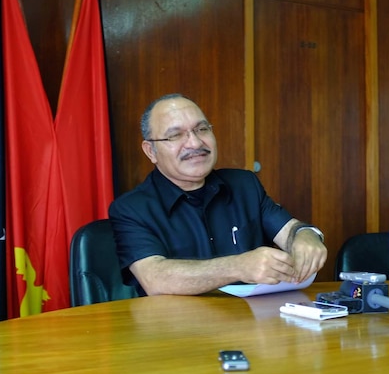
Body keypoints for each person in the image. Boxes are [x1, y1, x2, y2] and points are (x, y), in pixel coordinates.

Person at [109, 94, 328, 296]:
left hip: (255, 324)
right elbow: (155, 278)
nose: (195, 143)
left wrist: (306, 236)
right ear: (150, 151)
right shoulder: (131, 208)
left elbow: (290, 230)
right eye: (175, 135)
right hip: (176, 330)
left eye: (202, 129)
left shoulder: (245, 185)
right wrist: (239, 266)